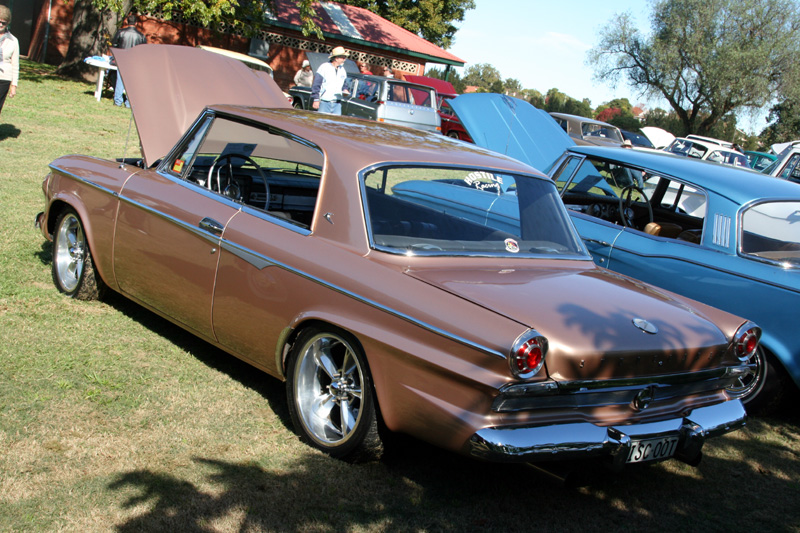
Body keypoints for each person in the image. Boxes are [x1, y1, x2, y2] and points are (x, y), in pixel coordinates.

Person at [112, 14, 146, 107]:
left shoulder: (121, 32)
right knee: (131, 82)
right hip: (134, 61)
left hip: (122, 59)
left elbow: (115, 45)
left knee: (120, 80)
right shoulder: (141, 36)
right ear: (136, 23)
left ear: (127, 22)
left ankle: (118, 101)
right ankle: (128, 103)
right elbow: (143, 50)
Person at [310, 46, 349, 115]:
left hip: (337, 103)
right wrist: (316, 99)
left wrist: (345, 90)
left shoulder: (342, 70)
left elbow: (344, 84)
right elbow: (316, 84)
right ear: (336, 58)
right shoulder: (324, 67)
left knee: (335, 122)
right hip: (325, 102)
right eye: (343, 57)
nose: (344, 59)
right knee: (322, 121)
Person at [0, 5, 19, 116]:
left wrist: (13, 86)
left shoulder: (13, 41)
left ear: (7, 23)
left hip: (4, 78)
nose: (0, 25)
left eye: (3, 23)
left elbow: (15, 65)